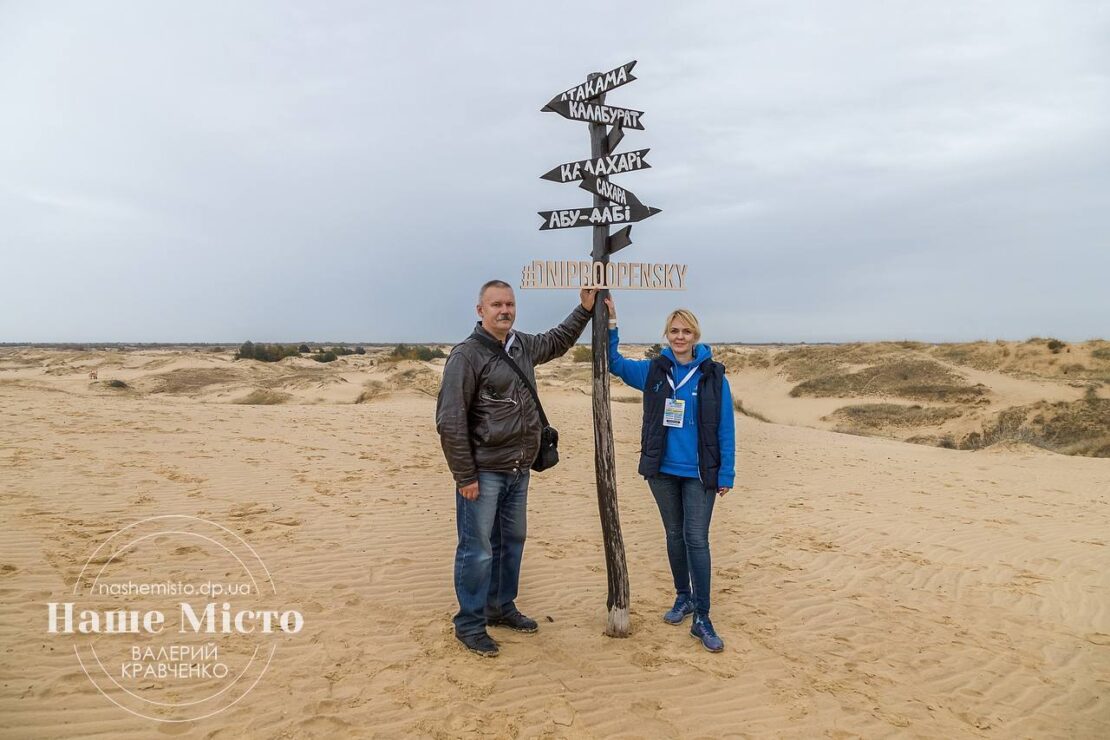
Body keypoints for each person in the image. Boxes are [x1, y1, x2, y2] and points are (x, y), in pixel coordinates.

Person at [436, 280, 597, 657]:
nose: (504, 310)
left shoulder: (522, 345)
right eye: (496, 305)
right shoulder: (467, 356)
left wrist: (585, 310)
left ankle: (501, 607)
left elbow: (558, 340)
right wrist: (465, 476)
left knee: (511, 543)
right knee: (477, 550)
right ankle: (470, 624)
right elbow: (450, 421)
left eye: (509, 304)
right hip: (484, 472)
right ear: (480, 311)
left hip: (518, 469)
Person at [604, 295, 735, 652]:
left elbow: (726, 427)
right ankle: (683, 597)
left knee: (697, 539)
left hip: (700, 473)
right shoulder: (653, 371)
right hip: (661, 470)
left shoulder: (713, 375)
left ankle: (703, 617)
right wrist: (612, 322)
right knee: (674, 535)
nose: (680, 337)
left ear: (696, 335)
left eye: (686, 331)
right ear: (666, 334)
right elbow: (613, 362)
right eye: (674, 331)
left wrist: (727, 472)